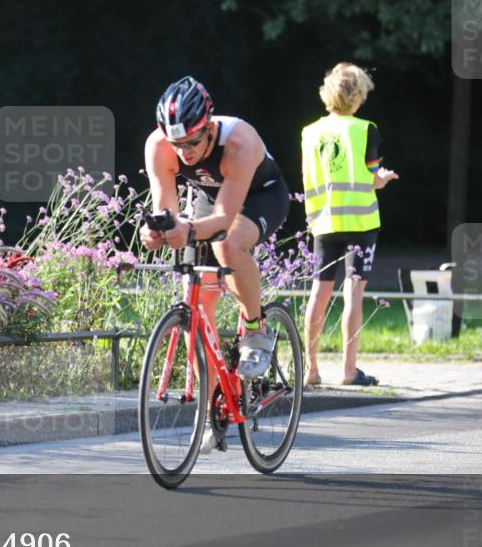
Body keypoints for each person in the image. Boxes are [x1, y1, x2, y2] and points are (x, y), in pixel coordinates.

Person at [140, 75, 291, 383]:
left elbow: (223, 219)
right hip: (212, 198)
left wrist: (189, 229)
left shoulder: (239, 141)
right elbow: (166, 208)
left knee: (228, 244)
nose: (185, 153)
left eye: (192, 142)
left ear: (209, 127)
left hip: (261, 196)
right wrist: (156, 229)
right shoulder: (158, 145)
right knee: (194, 303)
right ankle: (211, 411)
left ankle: (255, 329)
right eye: (176, 144)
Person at [301, 63, 398, 387]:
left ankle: (310, 369)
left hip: (324, 220)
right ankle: (348, 370)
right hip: (361, 221)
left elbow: (308, 176)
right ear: (357, 95)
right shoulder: (365, 129)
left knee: (319, 292)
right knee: (353, 295)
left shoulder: (310, 132)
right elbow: (372, 177)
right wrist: (382, 179)